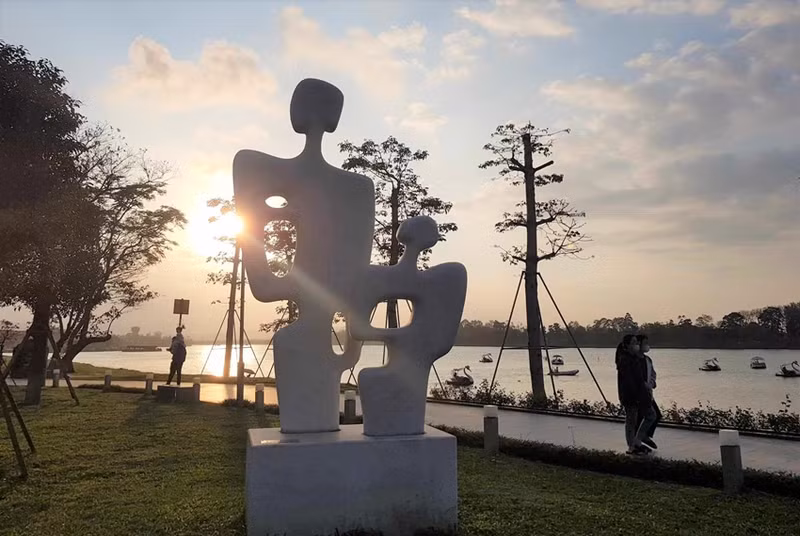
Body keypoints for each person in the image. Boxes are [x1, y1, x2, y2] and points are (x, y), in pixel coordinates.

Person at [615, 334, 655, 455]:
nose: (636, 345)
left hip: (640, 394)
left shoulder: (635, 359)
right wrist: (637, 395)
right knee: (632, 420)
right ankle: (632, 446)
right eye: (633, 343)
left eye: (636, 342)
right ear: (627, 346)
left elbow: (641, 378)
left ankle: (636, 442)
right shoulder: (625, 361)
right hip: (631, 396)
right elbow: (629, 382)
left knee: (650, 416)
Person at [635, 334, 661, 450]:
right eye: (644, 343)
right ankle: (638, 441)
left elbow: (653, 373)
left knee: (657, 415)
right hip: (639, 394)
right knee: (649, 415)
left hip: (648, 392)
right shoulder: (634, 360)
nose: (647, 345)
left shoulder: (647, 360)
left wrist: (652, 383)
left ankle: (643, 436)